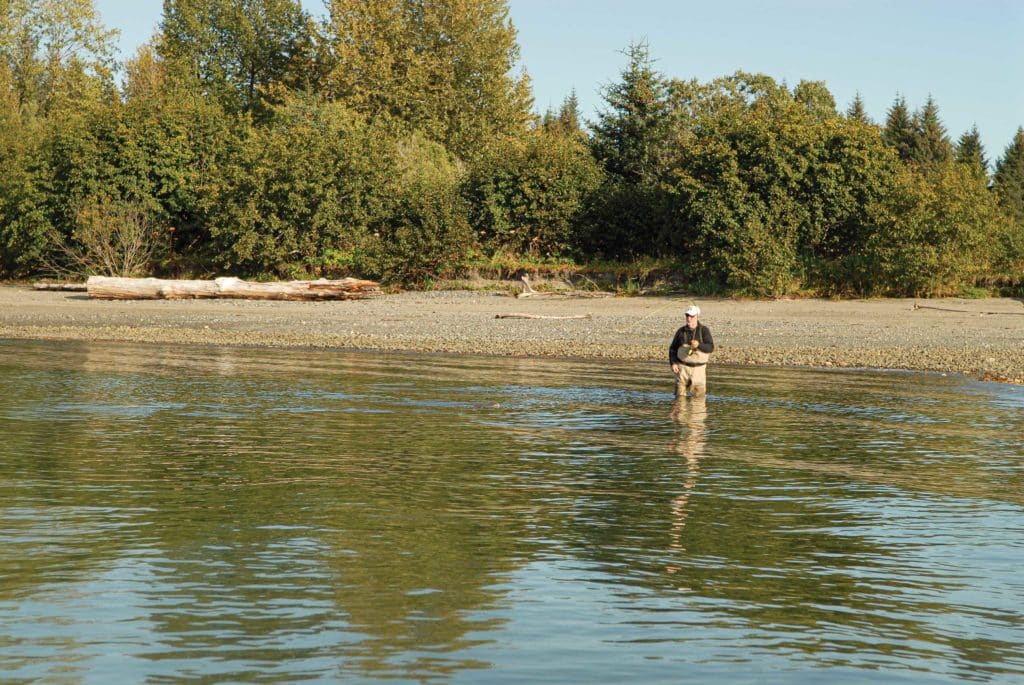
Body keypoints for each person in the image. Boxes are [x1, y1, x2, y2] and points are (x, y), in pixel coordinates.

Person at [669, 305, 714, 398]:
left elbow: (710, 347)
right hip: (682, 370)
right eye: (687, 316)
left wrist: (699, 345)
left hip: (699, 371)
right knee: (679, 401)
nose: (689, 318)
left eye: (692, 316)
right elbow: (673, 349)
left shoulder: (704, 331)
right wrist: (673, 363)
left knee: (699, 401)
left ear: (698, 317)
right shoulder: (680, 331)